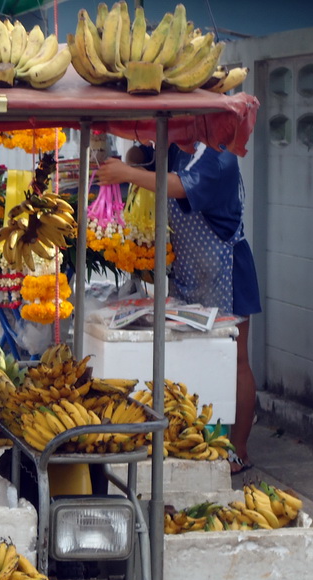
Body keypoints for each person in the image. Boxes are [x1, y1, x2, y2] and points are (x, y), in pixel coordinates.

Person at [95, 142, 261, 474]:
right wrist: (135, 160)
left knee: (236, 359)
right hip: (190, 270)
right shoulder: (181, 147)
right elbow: (147, 160)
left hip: (225, 268)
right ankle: (198, 438)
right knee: (198, 355)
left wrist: (126, 173)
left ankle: (238, 449)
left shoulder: (217, 154)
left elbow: (180, 185)